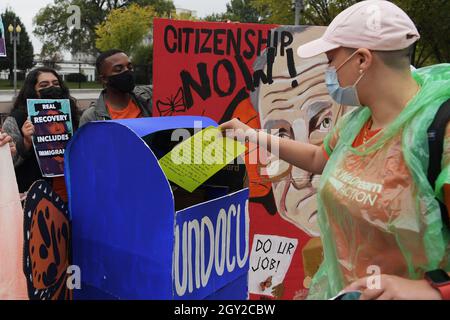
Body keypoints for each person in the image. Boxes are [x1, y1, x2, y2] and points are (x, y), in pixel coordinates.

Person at [220, 0, 450, 300]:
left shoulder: (440, 134)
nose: (328, 71)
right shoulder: (357, 121)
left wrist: (428, 291)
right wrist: (253, 135)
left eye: (331, 59)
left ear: (362, 60)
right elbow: (318, 159)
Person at [2, 67, 80, 201]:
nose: (52, 87)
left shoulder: (70, 113)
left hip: (70, 191)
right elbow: (8, 164)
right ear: (32, 90)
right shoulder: (17, 119)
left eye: (56, 84)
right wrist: (26, 143)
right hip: (36, 197)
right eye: (44, 85)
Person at [79, 49, 152, 126]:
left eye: (130, 67)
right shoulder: (91, 117)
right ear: (104, 79)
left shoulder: (149, 95)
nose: (127, 71)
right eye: (118, 69)